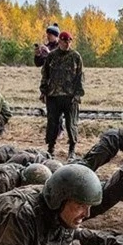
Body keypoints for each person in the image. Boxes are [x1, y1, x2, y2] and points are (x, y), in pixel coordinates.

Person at [40, 31, 84, 160]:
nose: (67, 44)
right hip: (53, 96)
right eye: (65, 41)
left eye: (69, 41)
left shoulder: (75, 56)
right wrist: (43, 91)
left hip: (70, 97)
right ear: (60, 41)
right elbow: (45, 74)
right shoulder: (52, 56)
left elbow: (80, 77)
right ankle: (51, 148)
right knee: (52, 123)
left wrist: (78, 95)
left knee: (71, 124)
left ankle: (72, 150)